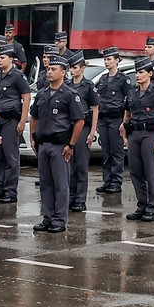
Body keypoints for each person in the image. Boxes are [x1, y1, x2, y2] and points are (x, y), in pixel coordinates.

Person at [30, 56, 84, 233]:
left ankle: (59, 219)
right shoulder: (42, 93)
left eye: (54, 69)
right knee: (45, 183)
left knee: (61, 183)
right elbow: (34, 116)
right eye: (48, 69)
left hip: (60, 145)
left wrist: (71, 145)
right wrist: (33, 138)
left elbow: (79, 121)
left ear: (63, 72)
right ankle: (48, 216)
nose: (50, 72)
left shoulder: (69, 94)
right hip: (44, 144)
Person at [120, 56, 154, 222]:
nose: (138, 75)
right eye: (136, 72)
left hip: (150, 134)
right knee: (135, 171)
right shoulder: (132, 93)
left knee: (151, 172)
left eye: (141, 72)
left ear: (150, 74)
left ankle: (151, 207)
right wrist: (124, 131)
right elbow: (127, 114)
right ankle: (141, 205)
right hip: (135, 135)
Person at [0, 43, 30, 204]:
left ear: (11, 59)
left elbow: (26, 98)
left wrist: (22, 121)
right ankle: (0, 189)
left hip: (11, 121)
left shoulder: (17, 76)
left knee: (11, 156)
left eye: (3, 57)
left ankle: (10, 191)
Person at [95, 46, 131, 194]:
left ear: (117, 60)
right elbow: (98, 99)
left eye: (109, 59)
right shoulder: (103, 79)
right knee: (106, 151)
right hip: (104, 118)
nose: (106, 62)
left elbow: (129, 102)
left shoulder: (123, 79)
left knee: (116, 152)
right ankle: (107, 180)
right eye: (105, 59)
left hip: (116, 118)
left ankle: (116, 181)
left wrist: (124, 123)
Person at [66, 51, 99, 212]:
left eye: (75, 68)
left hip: (84, 128)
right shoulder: (67, 85)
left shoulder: (88, 86)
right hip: (69, 128)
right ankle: (70, 197)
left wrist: (92, 132)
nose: (72, 71)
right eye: (70, 68)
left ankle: (80, 199)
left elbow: (95, 110)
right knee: (69, 165)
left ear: (82, 68)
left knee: (81, 166)